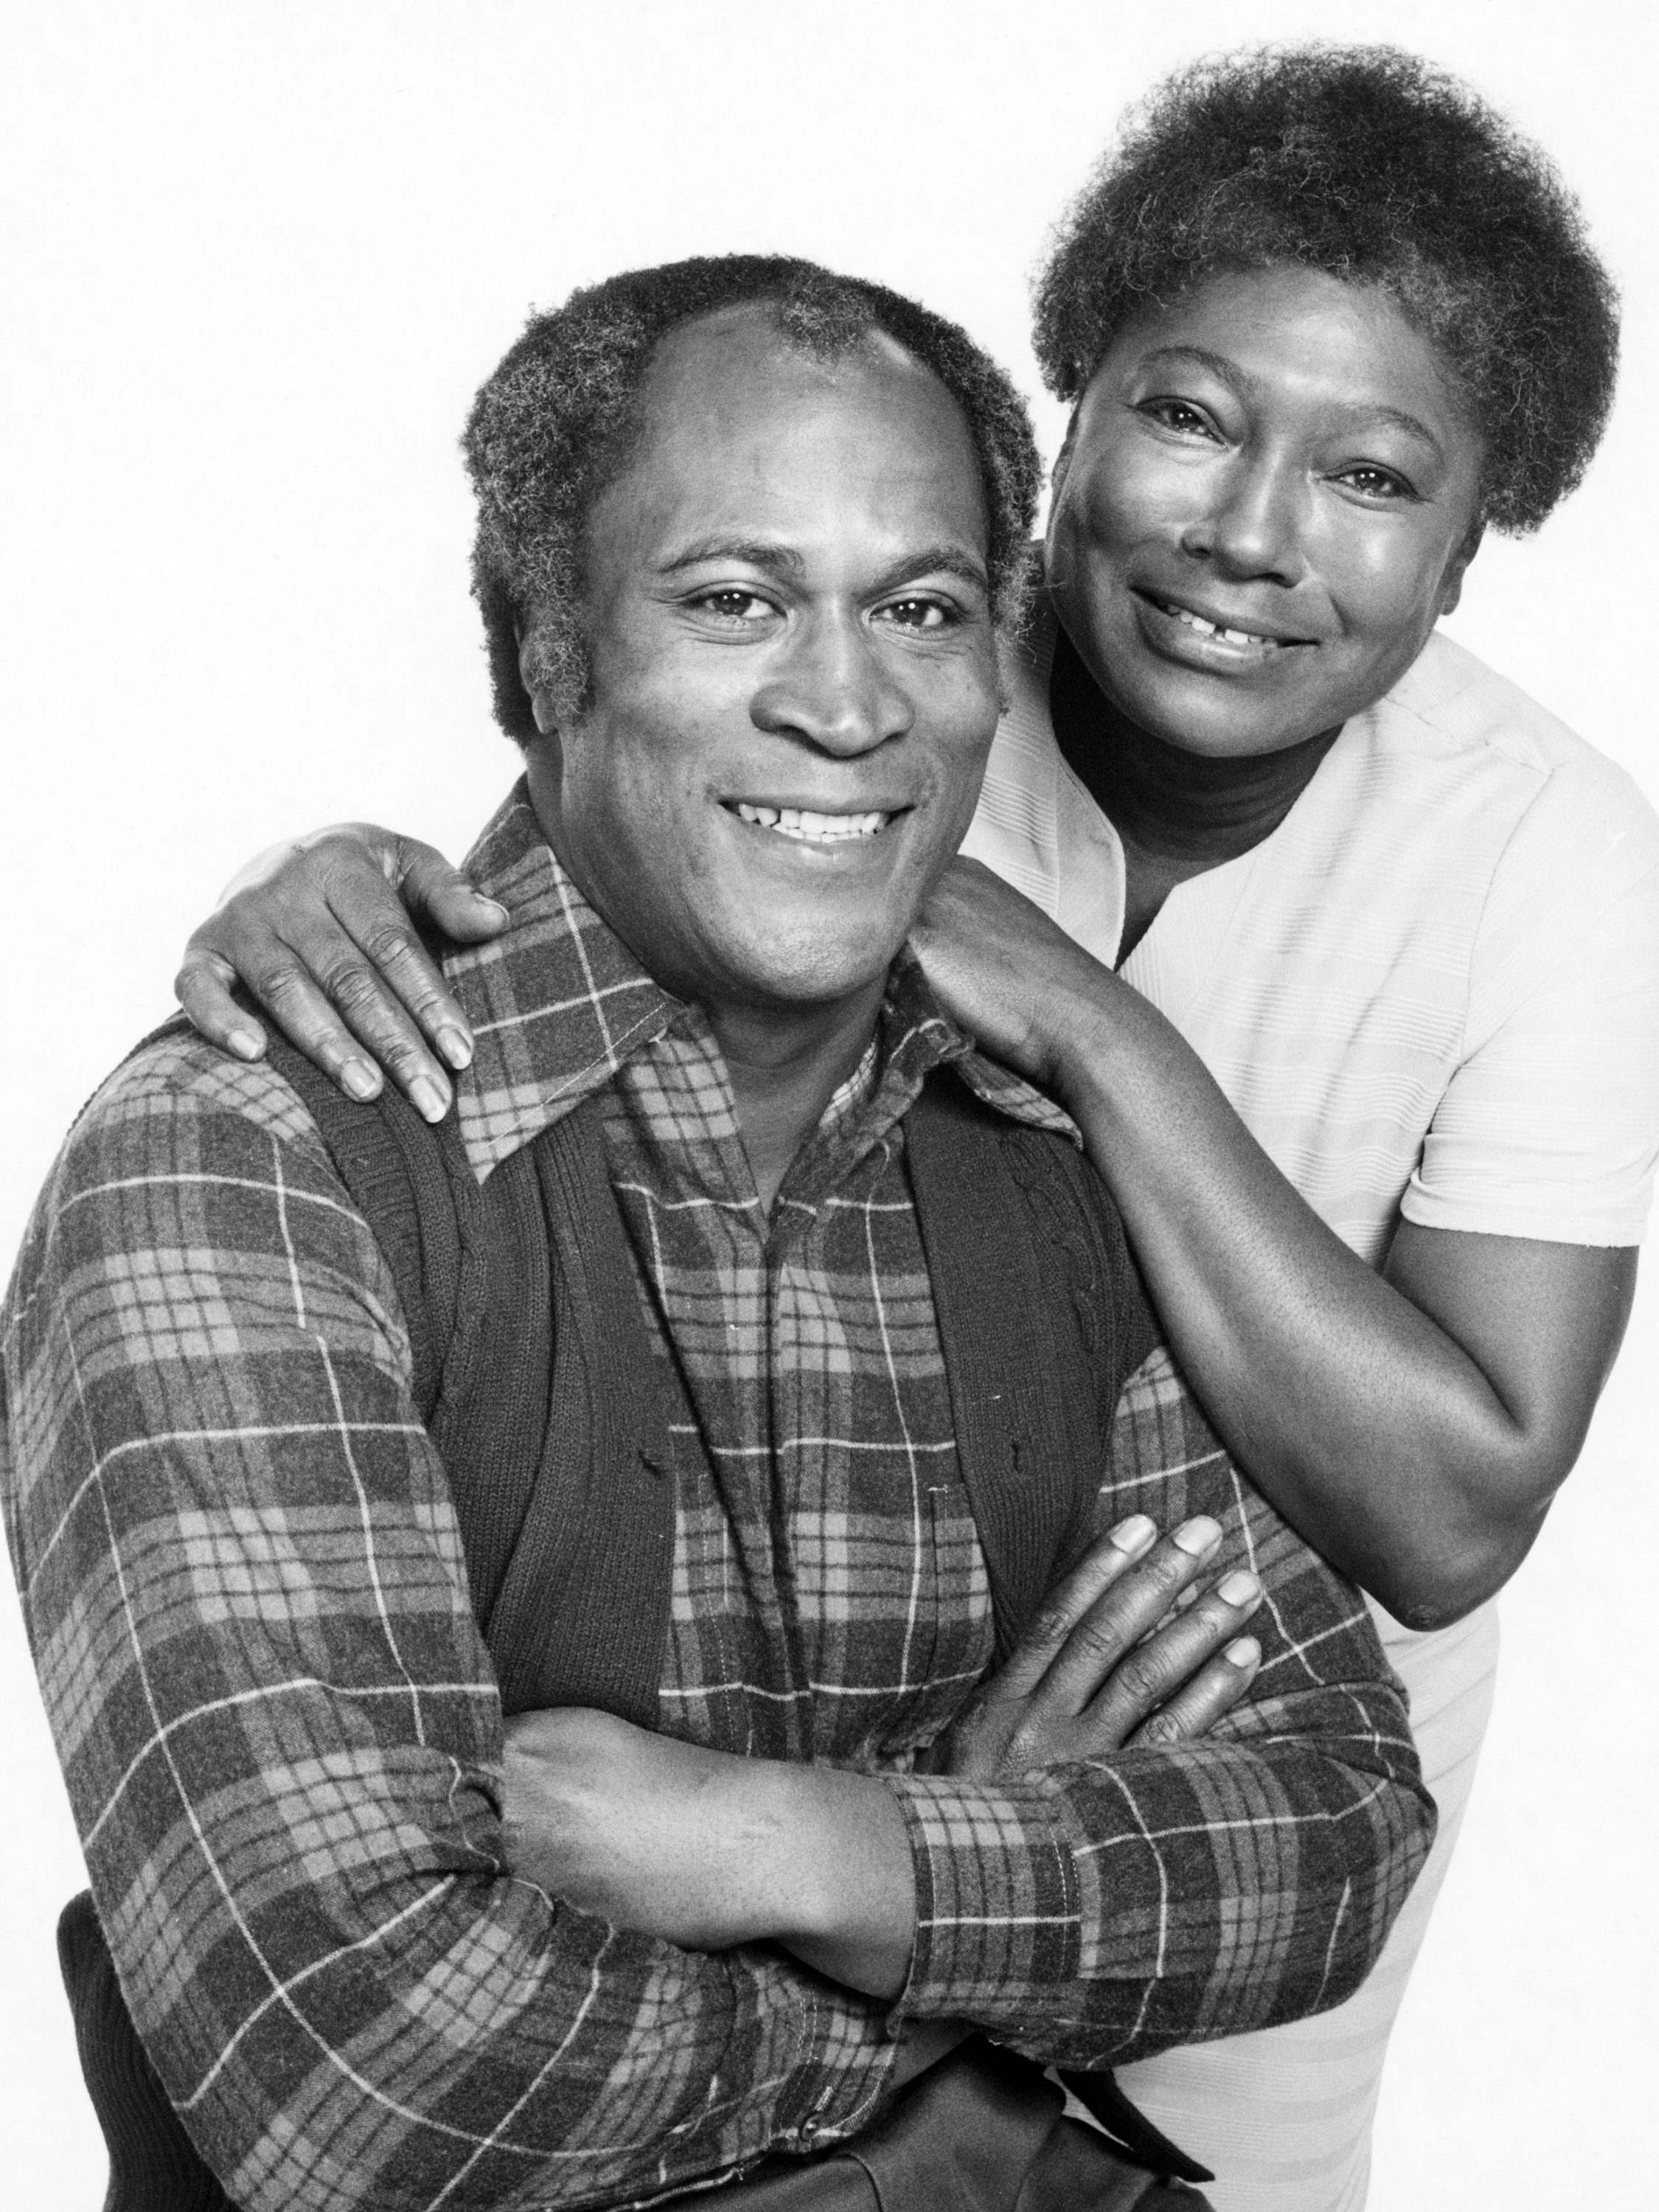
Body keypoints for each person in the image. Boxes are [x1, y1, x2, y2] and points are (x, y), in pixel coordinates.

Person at [177, 48, 1659, 2211]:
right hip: (733, 1753)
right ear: (1073, 411)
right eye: (1186, 416)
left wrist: (1086, 1026)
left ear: (1467, 549)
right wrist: (317, 881)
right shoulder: (885, 665)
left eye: (1369, 477)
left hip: (1196, 1763)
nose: (1251, 535)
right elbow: (560, 924)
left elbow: (1444, 1523)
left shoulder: (1552, 858)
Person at [0, 255, 1432, 2212]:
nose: (845, 704)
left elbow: (1332, 1832)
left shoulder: (1059, 1163)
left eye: (919, 608)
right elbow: (365, 2089)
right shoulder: (244, 1165)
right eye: (734, 600)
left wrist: (812, 1852)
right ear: (547, 656)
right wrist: (958, 1936)